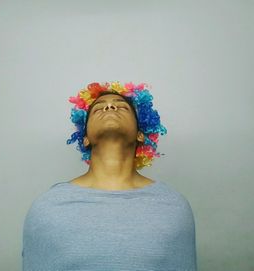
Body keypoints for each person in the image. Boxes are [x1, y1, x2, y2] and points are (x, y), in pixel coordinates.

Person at [22, 81, 197, 270]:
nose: (110, 106)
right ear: (85, 138)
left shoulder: (173, 206)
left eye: (121, 106)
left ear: (140, 134)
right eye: (98, 108)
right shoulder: (47, 208)